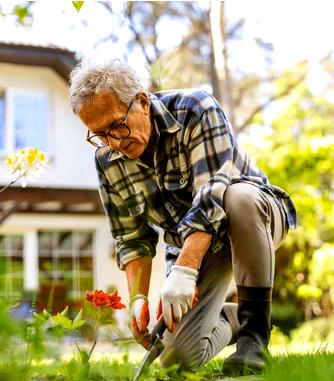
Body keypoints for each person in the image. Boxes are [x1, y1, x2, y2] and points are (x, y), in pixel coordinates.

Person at [69, 59, 296, 375]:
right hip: (195, 248)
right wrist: (138, 301)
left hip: (254, 219)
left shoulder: (195, 109)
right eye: (100, 135)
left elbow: (212, 194)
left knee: (237, 197)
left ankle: (254, 337)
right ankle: (237, 316)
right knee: (178, 360)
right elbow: (131, 238)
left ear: (143, 102)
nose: (115, 142)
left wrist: (186, 270)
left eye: (117, 126)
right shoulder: (108, 161)